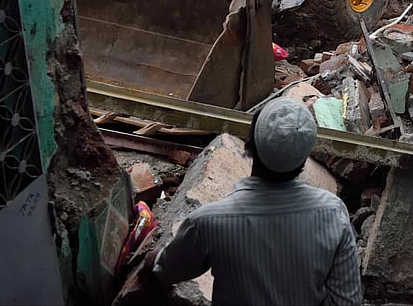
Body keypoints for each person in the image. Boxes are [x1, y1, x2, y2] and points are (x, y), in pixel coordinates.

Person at [152, 98, 362, 306]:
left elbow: (165, 270)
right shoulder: (334, 215)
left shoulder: (208, 222)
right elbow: (347, 300)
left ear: (249, 142)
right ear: (304, 156)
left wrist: (151, 260)